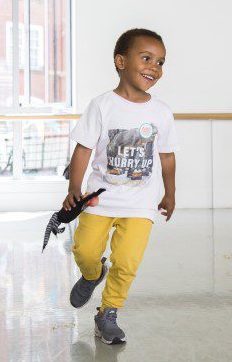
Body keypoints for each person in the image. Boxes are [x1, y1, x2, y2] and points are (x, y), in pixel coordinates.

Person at [64, 28, 179, 345]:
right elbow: (83, 149)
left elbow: (167, 157)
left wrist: (169, 193)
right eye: (147, 58)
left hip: (141, 204)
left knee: (127, 262)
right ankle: (92, 274)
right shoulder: (102, 105)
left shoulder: (161, 112)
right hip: (99, 200)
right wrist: (74, 188)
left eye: (160, 62)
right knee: (85, 251)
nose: (154, 67)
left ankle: (108, 313)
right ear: (121, 61)